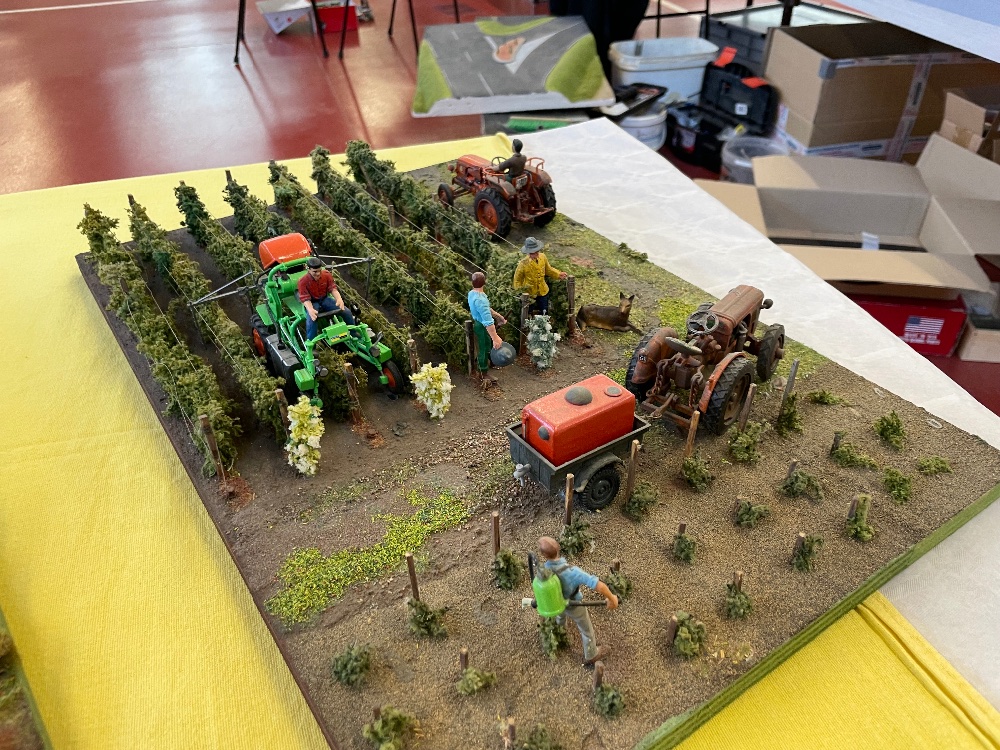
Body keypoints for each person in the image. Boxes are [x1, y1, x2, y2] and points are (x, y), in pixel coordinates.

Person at [538, 536, 617, 667]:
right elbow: (598, 585)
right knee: (586, 630)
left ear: (544, 555)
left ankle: (559, 634)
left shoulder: (543, 572)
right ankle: (591, 654)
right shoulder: (572, 572)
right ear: (558, 548)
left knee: (559, 618)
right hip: (573, 604)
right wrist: (612, 597)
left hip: (556, 604)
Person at [298, 256, 356, 341]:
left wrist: (339, 299)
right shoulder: (303, 282)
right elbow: (305, 298)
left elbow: (332, 288)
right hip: (312, 302)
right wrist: (310, 310)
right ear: (308, 269)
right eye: (315, 272)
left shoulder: (326, 275)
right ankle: (311, 343)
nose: (318, 274)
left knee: (346, 311)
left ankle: (353, 333)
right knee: (312, 320)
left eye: (319, 271)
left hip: (324, 299)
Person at [467, 271, 506, 386]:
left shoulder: (473, 293)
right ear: (484, 282)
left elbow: (487, 309)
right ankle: (483, 373)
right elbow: (488, 322)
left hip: (480, 323)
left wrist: (499, 317)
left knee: (487, 345)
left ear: (472, 283)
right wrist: (495, 338)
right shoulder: (480, 300)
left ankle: (491, 362)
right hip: (481, 326)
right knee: (483, 349)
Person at [513, 236, 567, 315]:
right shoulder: (523, 264)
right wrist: (520, 293)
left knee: (544, 310)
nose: (537, 254)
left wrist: (558, 274)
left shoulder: (543, 257)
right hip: (530, 293)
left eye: (537, 251)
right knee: (528, 312)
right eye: (534, 253)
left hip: (543, 290)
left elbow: (548, 269)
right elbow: (517, 280)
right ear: (529, 253)